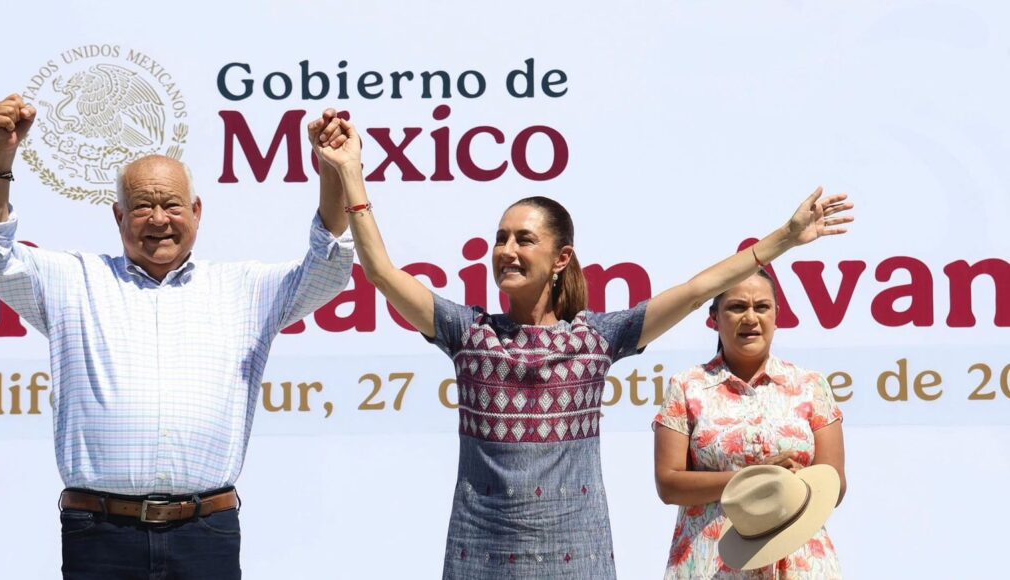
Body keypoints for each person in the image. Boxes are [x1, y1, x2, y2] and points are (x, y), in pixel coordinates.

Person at [307, 111, 852, 579]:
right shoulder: (467, 332)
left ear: (560, 258)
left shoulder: (596, 340)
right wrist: (352, 172)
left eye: (524, 239)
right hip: (480, 558)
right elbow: (379, 270)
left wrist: (783, 238)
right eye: (500, 238)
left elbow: (695, 292)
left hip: (579, 560)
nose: (506, 250)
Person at [0, 94, 355, 580]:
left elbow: (328, 269)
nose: (159, 220)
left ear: (196, 210)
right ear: (119, 217)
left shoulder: (244, 289)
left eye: (171, 204)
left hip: (205, 531)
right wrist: (2, 155)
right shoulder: (74, 280)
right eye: (143, 206)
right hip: (101, 533)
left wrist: (332, 170)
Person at [653, 269, 847, 579]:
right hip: (711, 561)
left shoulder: (811, 385)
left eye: (761, 307)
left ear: (777, 315)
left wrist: (797, 484)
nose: (750, 318)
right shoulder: (687, 386)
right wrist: (754, 480)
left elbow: (835, 484)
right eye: (737, 307)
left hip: (801, 562)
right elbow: (668, 484)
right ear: (714, 317)